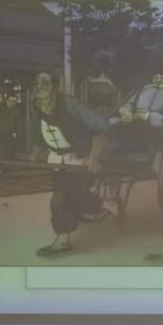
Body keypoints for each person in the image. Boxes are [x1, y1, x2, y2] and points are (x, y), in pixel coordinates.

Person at [29, 72, 114, 258]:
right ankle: (105, 204)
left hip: (81, 158)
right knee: (72, 196)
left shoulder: (70, 105)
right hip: (57, 160)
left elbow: (101, 127)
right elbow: (40, 132)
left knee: (61, 199)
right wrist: (35, 154)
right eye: (37, 84)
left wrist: (94, 158)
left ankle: (63, 241)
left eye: (45, 84)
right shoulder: (36, 105)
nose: (40, 88)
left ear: (54, 87)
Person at [109, 60, 163, 154]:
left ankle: (136, 145)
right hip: (135, 119)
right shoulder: (147, 88)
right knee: (111, 121)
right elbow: (130, 104)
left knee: (147, 121)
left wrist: (148, 116)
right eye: (157, 76)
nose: (159, 79)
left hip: (160, 122)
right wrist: (126, 111)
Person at [0, 94, 23, 160]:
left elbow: (17, 124)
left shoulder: (17, 112)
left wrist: (15, 133)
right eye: (10, 100)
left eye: (14, 101)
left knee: (9, 156)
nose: (12, 103)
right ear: (6, 100)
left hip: (9, 136)